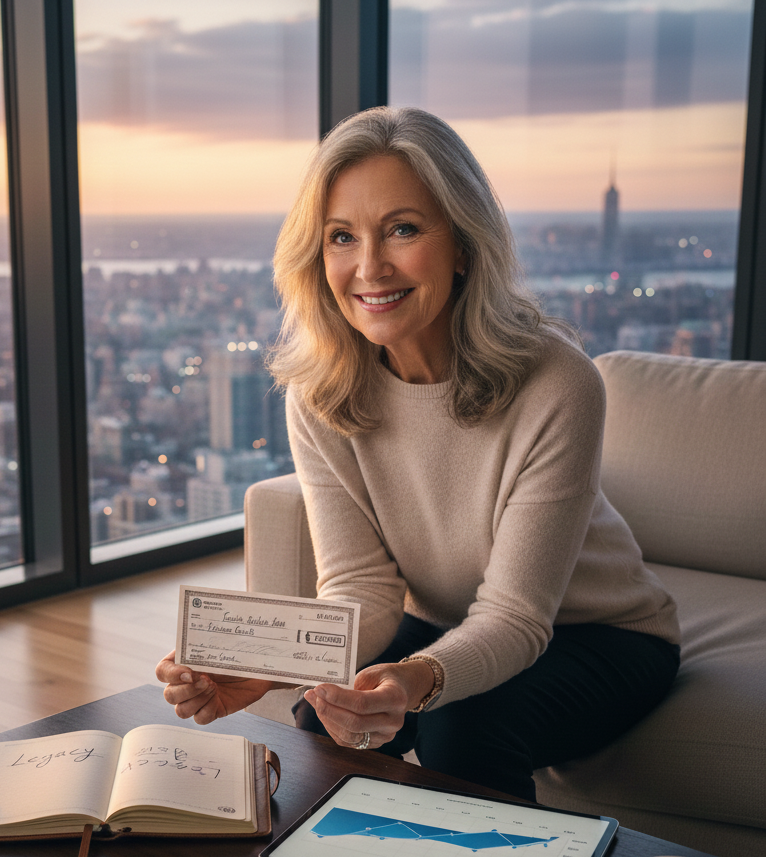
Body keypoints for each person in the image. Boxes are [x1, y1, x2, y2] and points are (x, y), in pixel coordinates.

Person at [157, 106, 680, 802]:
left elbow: (519, 617)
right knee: (320, 718)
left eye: (402, 229)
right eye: (341, 237)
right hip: (445, 618)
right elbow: (363, 590)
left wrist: (414, 679)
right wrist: (264, 669)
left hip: (602, 633)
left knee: (461, 728)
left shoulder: (557, 381)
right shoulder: (321, 391)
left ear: (463, 245)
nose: (369, 267)